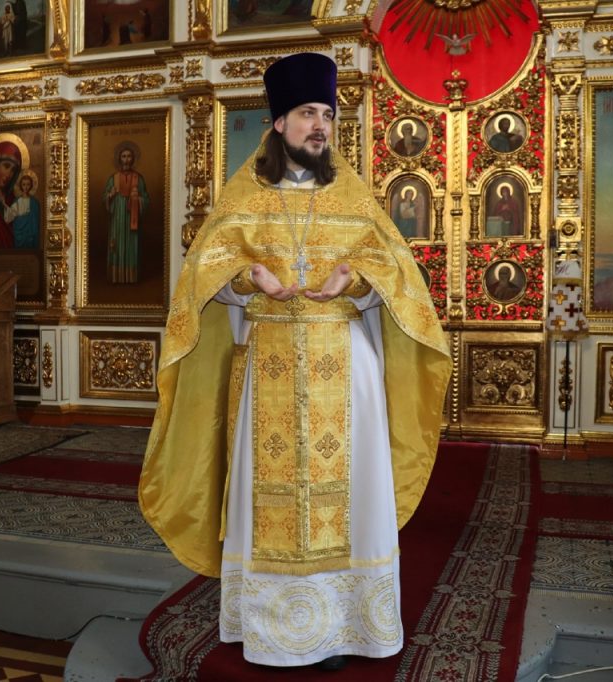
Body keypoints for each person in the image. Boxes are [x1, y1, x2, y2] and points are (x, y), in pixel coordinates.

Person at [139, 53, 451, 671]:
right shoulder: (242, 196)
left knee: (352, 494)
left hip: (346, 363)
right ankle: (272, 628)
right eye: (308, 114)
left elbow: (399, 281)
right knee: (266, 495)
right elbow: (202, 278)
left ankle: (346, 626)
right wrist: (246, 279)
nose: (320, 127)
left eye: (327, 116)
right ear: (279, 122)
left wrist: (353, 279)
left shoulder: (354, 197)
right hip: (268, 364)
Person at [104, 142, 149, 283]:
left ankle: (131, 277)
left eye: (129, 156)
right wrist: (110, 195)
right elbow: (105, 197)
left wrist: (138, 198)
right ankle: (116, 277)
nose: (126, 159)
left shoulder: (138, 178)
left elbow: (146, 199)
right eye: (123, 156)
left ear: (133, 159)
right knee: (116, 245)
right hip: (117, 217)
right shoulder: (114, 178)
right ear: (119, 159)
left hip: (131, 217)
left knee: (131, 245)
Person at [4, 169, 40, 249]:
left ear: (31, 185)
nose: (26, 187)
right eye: (24, 184)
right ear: (20, 185)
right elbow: (10, 216)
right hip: (19, 233)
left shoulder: (34, 203)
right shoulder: (17, 201)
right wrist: (4, 206)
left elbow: (35, 222)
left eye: (28, 184)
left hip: (30, 234)